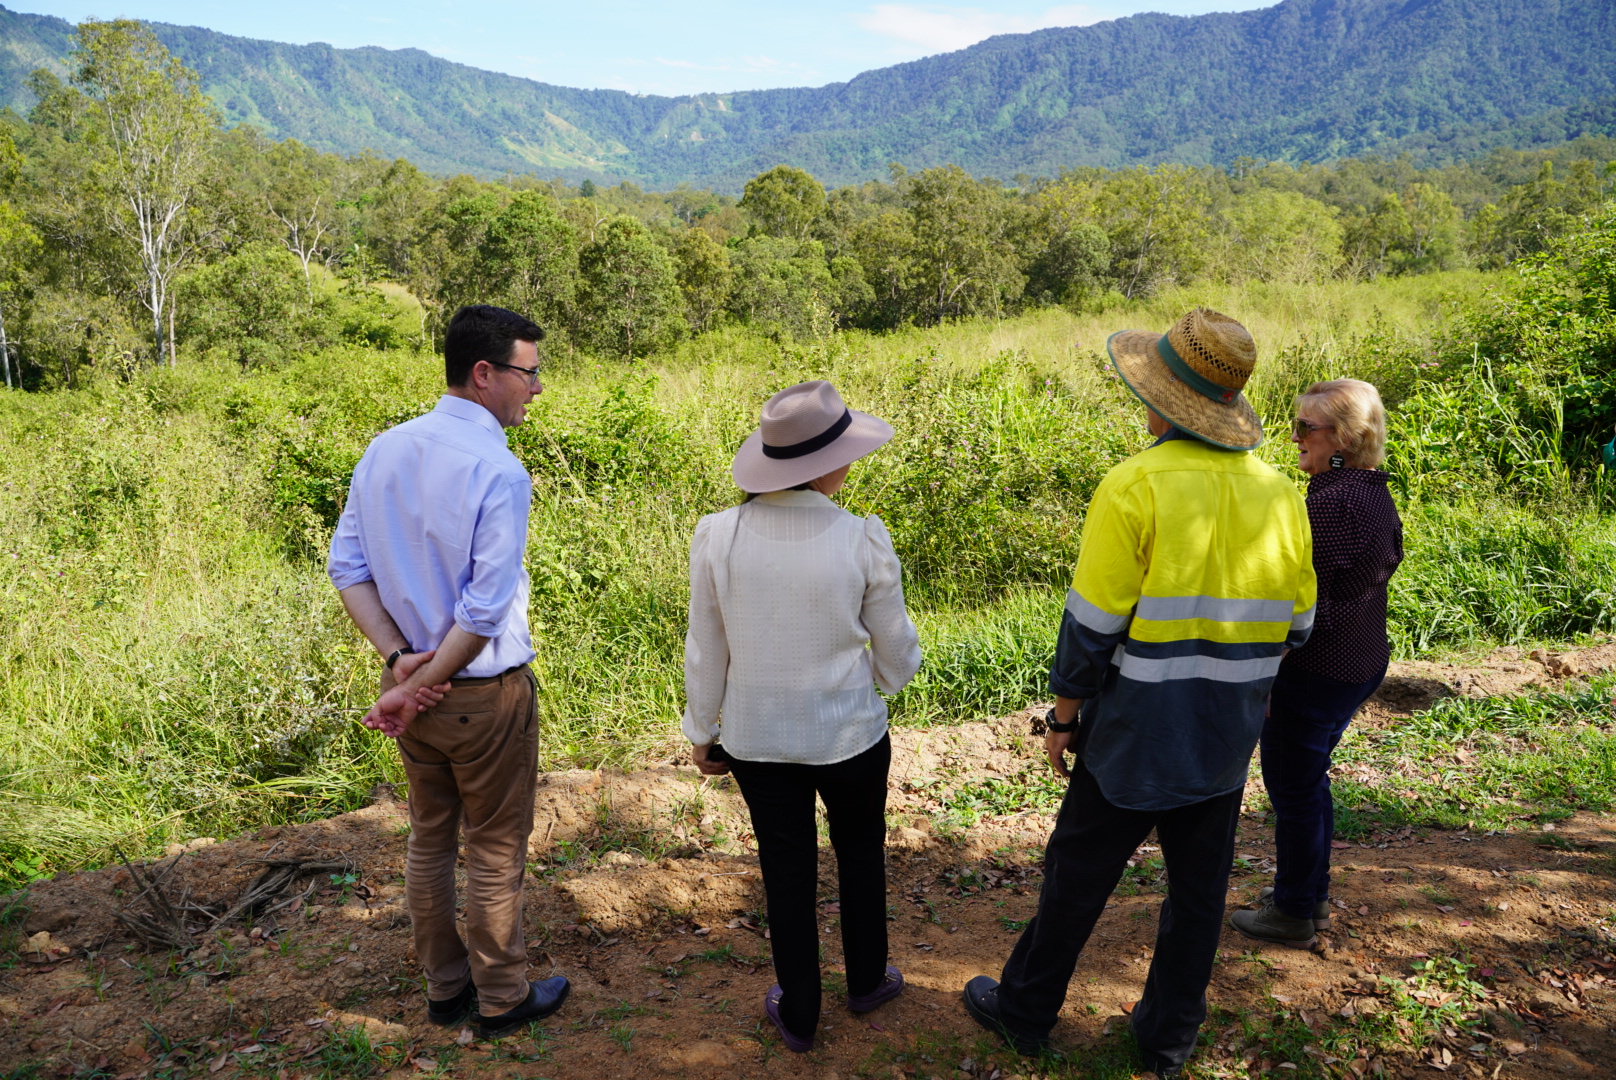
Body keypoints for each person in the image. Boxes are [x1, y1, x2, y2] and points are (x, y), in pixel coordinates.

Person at [961, 309, 1317, 1079]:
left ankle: (1024, 1010)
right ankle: (1166, 1041)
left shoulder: (1134, 485)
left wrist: (1062, 717)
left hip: (1133, 733)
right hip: (1225, 736)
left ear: (1165, 402)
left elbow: (1090, 627)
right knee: (1198, 895)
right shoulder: (1283, 496)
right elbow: (1299, 625)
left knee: (1078, 876)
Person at [327, 304, 570, 1038]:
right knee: (495, 849)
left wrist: (399, 667)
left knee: (430, 839)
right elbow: (485, 608)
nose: (537, 387)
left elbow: (348, 567)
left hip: (412, 698)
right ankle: (501, 997)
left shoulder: (385, 448)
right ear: (485, 373)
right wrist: (415, 679)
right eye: (529, 373)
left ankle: (444, 988)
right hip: (482, 696)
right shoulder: (497, 467)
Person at [682, 380, 922, 1054]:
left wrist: (704, 733)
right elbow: (898, 650)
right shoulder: (860, 539)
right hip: (850, 735)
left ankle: (802, 1010)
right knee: (859, 853)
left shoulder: (717, 536)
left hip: (757, 741)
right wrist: (865, 684)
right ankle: (868, 980)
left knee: (785, 871)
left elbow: (706, 649)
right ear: (825, 465)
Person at [1230, 379, 1403, 947]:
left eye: (1306, 427)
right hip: (1359, 662)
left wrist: (1268, 672)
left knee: (1296, 790)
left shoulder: (1329, 502)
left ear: (1344, 439)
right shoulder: (1373, 489)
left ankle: (1295, 911)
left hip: (1319, 671)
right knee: (1310, 783)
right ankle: (1310, 895)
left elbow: (1305, 605)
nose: (1295, 436)